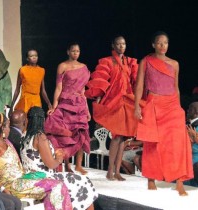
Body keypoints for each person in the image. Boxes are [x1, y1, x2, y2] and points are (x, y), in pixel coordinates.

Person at [134, 31, 193, 196]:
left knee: (178, 143)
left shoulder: (174, 64)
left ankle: (179, 181)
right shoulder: (146, 61)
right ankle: (151, 179)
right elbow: (139, 86)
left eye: (165, 43)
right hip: (154, 104)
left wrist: (180, 108)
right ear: (153, 44)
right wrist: (137, 107)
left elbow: (176, 86)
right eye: (159, 43)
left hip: (173, 105)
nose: (162, 46)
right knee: (153, 143)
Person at [0, 111, 73, 210]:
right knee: (57, 186)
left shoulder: (5, 142)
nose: (9, 129)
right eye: (8, 126)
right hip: (11, 184)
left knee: (57, 185)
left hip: (20, 180)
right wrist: (2, 188)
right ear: (2, 127)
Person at [21, 107, 98, 210]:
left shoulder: (25, 137)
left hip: (31, 177)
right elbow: (51, 164)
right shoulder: (40, 137)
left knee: (77, 183)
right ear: (42, 120)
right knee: (83, 181)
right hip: (44, 178)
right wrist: (59, 158)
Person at [85, 36, 138, 180]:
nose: (121, 46)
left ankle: (117, 171)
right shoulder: (107, 61)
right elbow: (101, 81)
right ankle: (110, 170)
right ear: (113, 45)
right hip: (114, 102)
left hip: (127, 100)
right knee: (116, 136)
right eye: (118, 44)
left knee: (122, 138)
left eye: (123, 44)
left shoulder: (130, 62)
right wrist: (99, 98)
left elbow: (134, 81)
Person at [44, 42, 91, 174]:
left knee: (81, 133)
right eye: (73, 51)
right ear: (68, 52)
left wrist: (87, 109)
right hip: (66, 103)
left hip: (80, 104)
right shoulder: (62, 66)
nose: (76, 53)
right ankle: (67, 164)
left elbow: (83, 90)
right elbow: (58, 87)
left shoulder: (84, 67)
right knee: (66, 134)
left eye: (78, 51)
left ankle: (79, 165)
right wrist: (54, 106)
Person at [10, 49, 52, 116]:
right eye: (31, 56)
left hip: (36, 100)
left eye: (36, 55)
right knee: (25, 122)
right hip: (25, 99)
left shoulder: (41, 70)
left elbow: (43, 90)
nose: (34, 57)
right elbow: (17, 89)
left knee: (36, 121)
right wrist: (12, 105)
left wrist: (49, 103)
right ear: (27, 58)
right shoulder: (23, 70)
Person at [186, 101, 198, 186]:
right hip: (186, 154)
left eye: (190, 109)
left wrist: (195, 138)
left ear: (197, 112)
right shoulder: (187, 124)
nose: (187, 111)